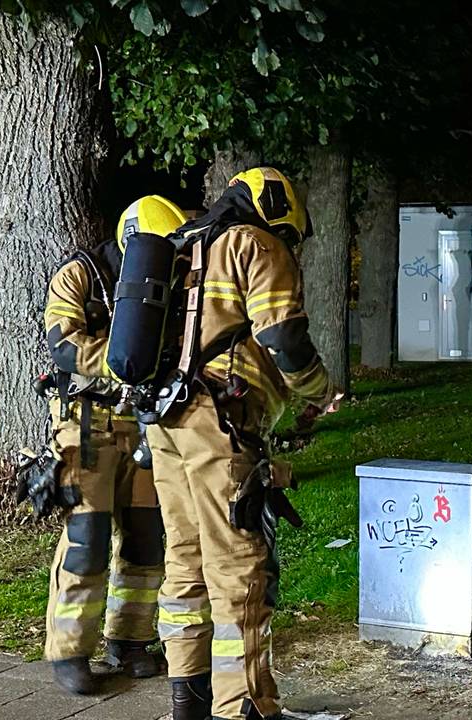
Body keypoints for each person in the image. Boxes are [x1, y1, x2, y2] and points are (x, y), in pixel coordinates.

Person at [144, 168, 344, 720]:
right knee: (239, 565)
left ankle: (189, 698)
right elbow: (282, 336)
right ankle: (246, 706)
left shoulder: (186, 245)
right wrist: (319, 390)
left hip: (164, 420)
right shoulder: (257, 244)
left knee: (184, 557)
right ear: (284, 212)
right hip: (218, 422)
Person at [38, 195, 187, 694]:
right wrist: (128, 358)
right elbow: (65, 343)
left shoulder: (168, 279)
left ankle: (129, 640)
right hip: (86, 425)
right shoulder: (78, 275)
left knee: (146, 539)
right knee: (88, 538)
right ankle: (70, 650)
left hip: (141, 422)